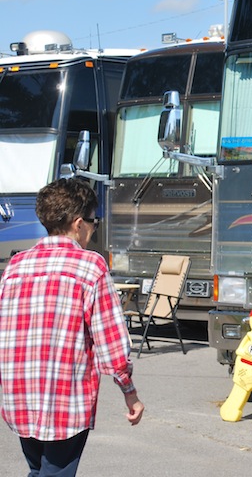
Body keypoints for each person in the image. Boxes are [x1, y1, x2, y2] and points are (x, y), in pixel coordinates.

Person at [0, 178, 144, 476]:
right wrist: (129, 392)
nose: (93, 229)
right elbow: (111, 342)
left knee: (39, 469)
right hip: (66, 398)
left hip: (19, 395)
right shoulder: (90, 266)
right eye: (94, 222)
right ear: (79, 223)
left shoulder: (16, 266)